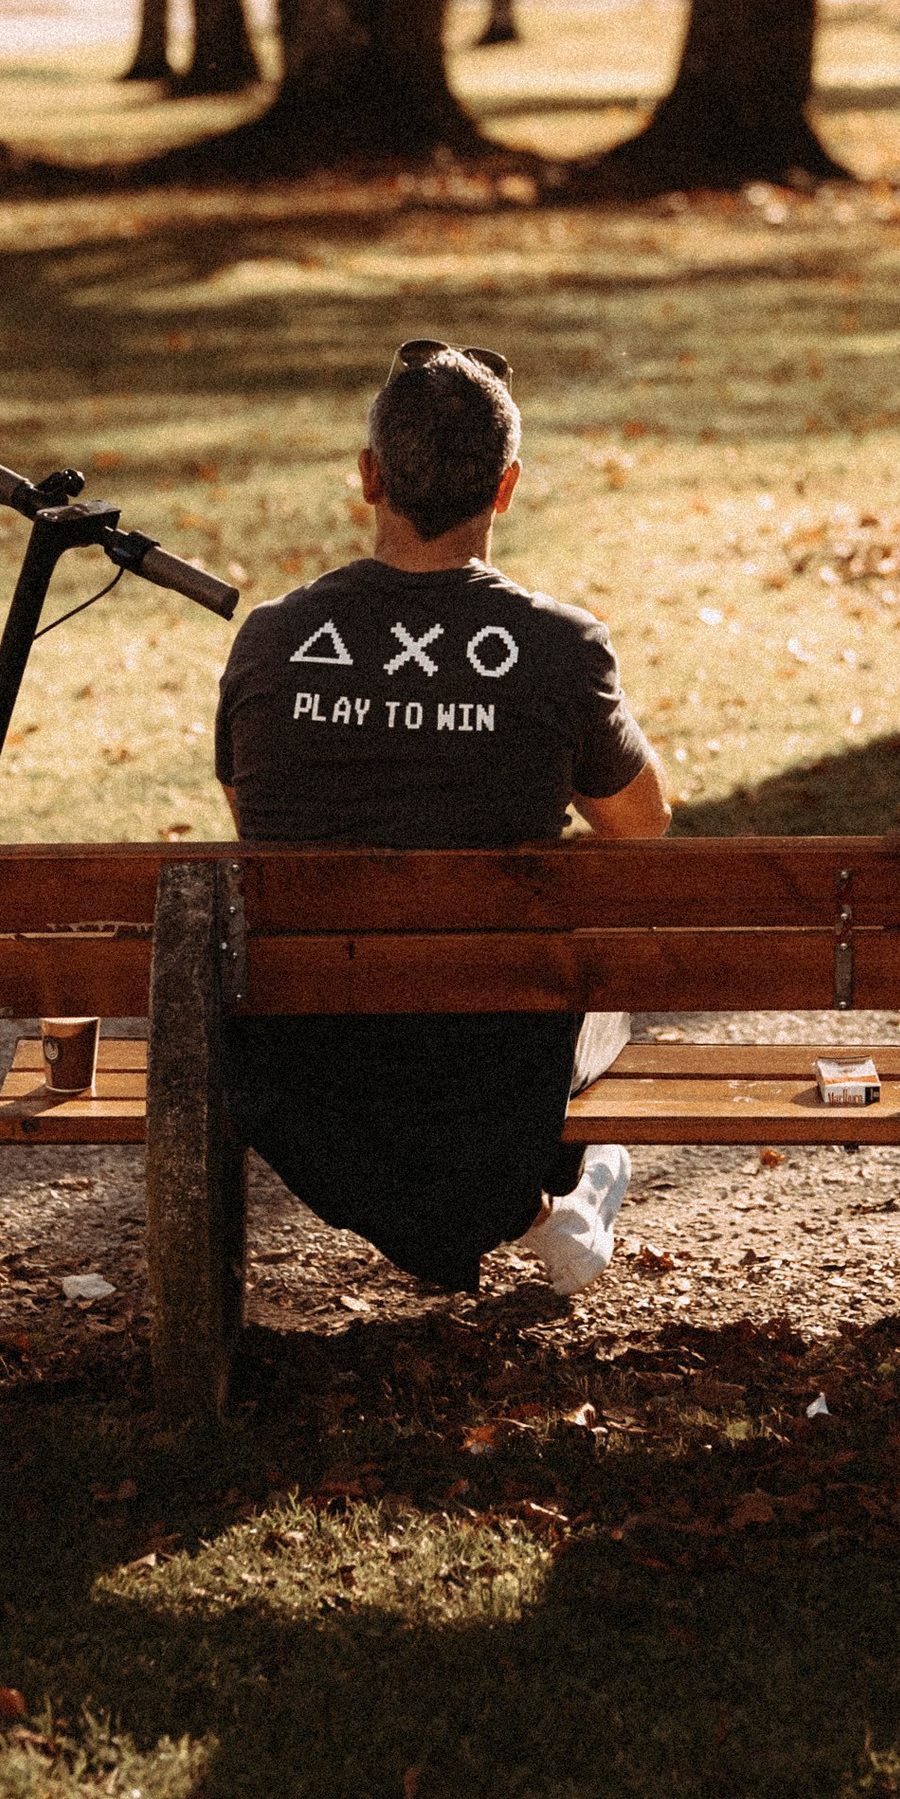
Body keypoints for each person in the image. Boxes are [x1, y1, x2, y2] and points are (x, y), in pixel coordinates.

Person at [213, 339, 669, 1300]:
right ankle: (534, 1205)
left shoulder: (273, 639)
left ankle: (523, 1213)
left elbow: (254, 820)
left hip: (309, 1061)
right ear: (505, 488)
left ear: (369, 475)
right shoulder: (559, 648)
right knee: (598, 985)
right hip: (494, 1056)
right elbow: (643, 828)